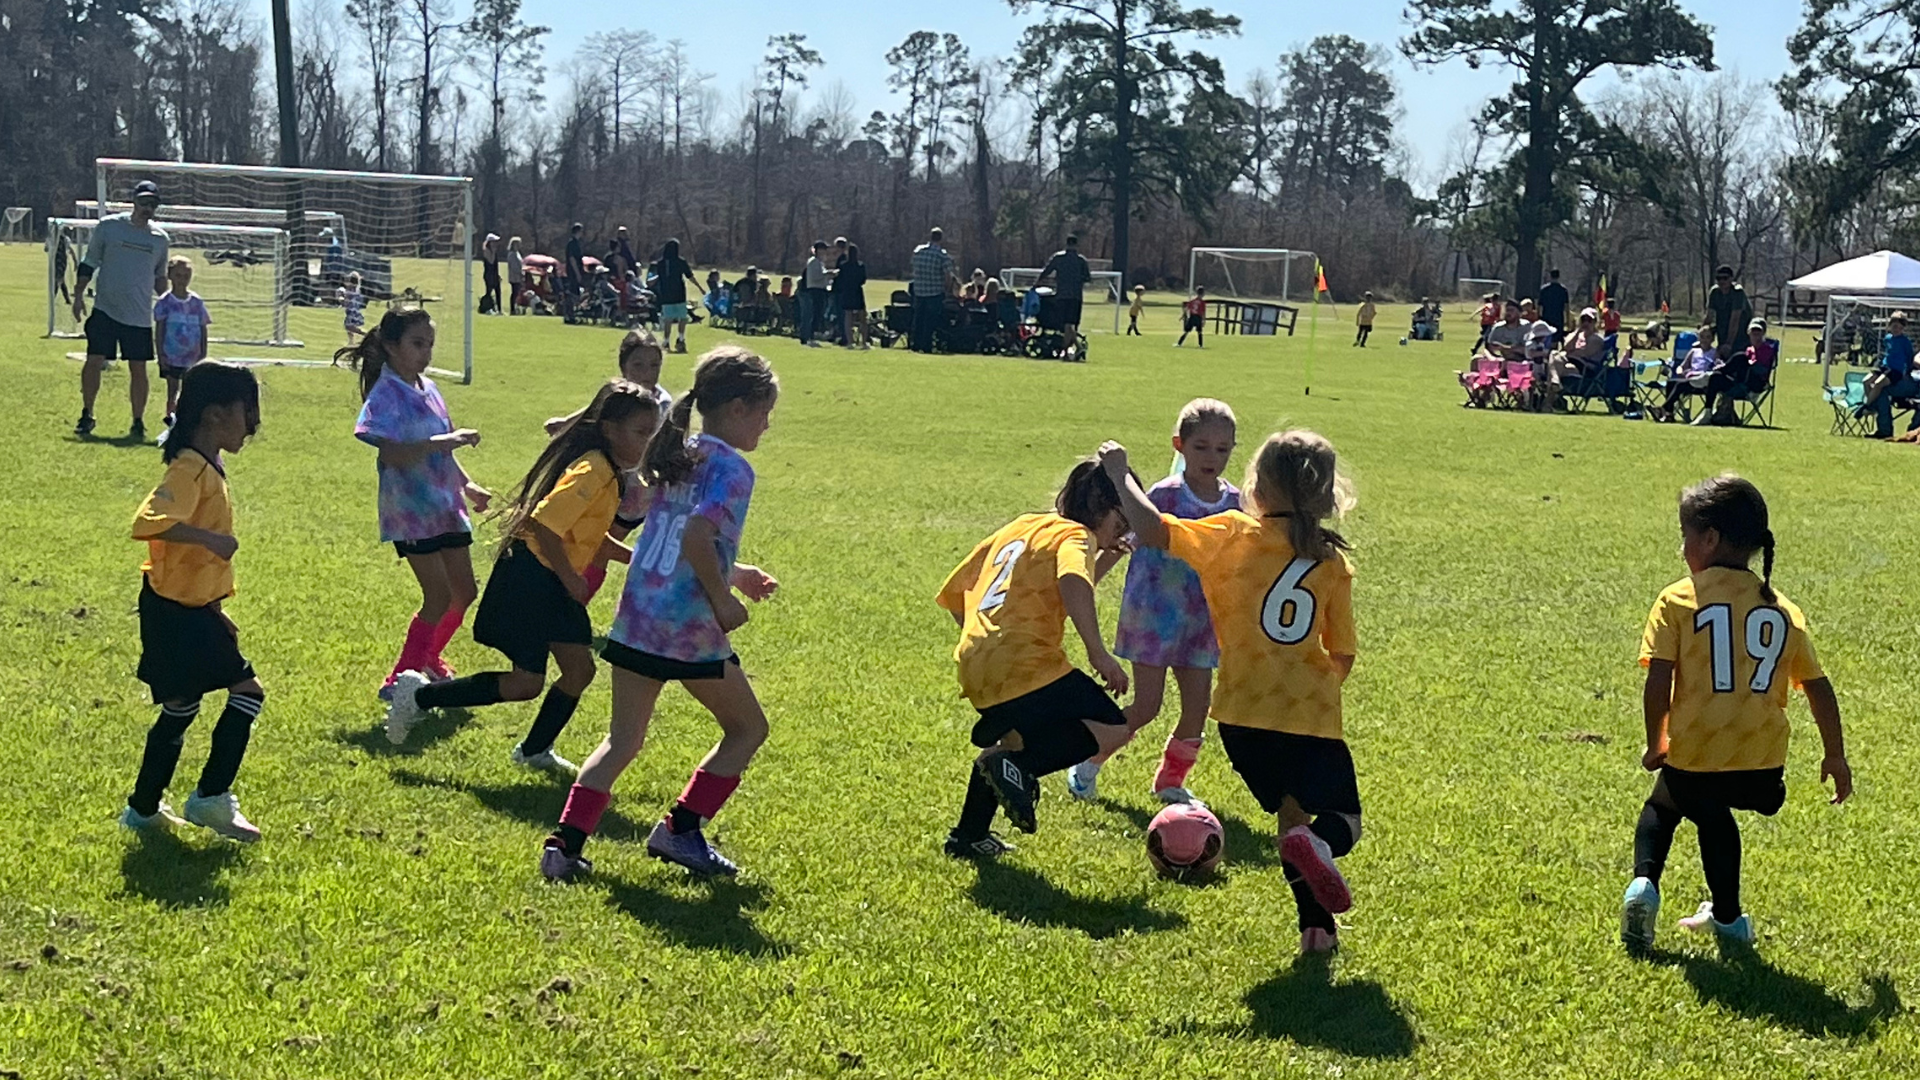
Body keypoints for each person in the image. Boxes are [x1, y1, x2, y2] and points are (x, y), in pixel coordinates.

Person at [1098, 430, 1362, 956]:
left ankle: (1317, 932)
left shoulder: (1232, 533)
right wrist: (1317, 692)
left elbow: (1152, 530)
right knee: (1341, 824)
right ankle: (1321, 849)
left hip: (1239, 715)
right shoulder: (1331, 561)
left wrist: (1119, 474)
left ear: (1258, 487)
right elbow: (1343, 654)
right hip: (1307, 714)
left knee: (1290, 819)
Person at [541, 347, 782, 881]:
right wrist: (722, 597)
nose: (768, 424)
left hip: (639, 615)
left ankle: (564, 846)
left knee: (621, 741)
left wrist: (734, 572)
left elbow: (674, 533)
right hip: (686, 625)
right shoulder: (732, 469)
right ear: (739, 408)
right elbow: (697, 534)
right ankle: (680, 829)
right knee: (747, 728)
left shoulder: (679, 451)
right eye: (765, 412)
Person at [1620, 475, 1850, 954]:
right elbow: (1818, 686)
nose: (1683, 547)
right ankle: (1725, 917)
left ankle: (1649, 889)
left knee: (1665, 805)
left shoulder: (1678, 600)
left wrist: (1655, 740)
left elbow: (1658, 680)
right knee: (1711, 807)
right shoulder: (1782, 608)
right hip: (1763, 767)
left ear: (1709, 538)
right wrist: (1836, 756)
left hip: (1697, 754)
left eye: (1686, 536)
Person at [384, 381, 663, 769]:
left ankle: (533, 751)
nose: (648, 443)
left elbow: (589, 537)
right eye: (641, 433)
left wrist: (644, 562)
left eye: (653, 434)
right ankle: (416, 697)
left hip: (550, 577)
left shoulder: (611, 472)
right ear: (610, 429)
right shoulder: (594, 469)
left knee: (579, 670)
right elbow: (543, 526)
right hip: (531, 575)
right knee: (526, 683)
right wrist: (569, 578)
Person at [936, 459, 1133, 858]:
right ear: (1104, 507)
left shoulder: (1025, 526)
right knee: (1112, 728)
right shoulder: (1076, 536)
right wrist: (1098, 653)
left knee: (1012, 743)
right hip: (1027, 660)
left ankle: (968, 836)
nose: (1125, 529)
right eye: (1123, 517)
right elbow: (1074, 579)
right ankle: (1020, 768)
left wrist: (985, 643)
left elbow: (956, 593)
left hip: (976, 661)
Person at [121, 362, 265, 842]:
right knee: (248, 693)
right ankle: (210, 798)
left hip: (183, 607)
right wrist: (209, 539)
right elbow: (149, 521)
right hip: (176, 612)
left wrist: (217, 610)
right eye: (247, 412)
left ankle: (142, 809)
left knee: (181, 706)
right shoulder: (188, 468)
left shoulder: (207, 465)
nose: (253, 423)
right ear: (214, 415)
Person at [1069, 399, 1239, 804]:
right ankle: (1088, 762)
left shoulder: (1235, 502)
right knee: (1146, 706)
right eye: (1201, 447)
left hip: (1201, 623)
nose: (1211, 457)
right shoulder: (1162, 495)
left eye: (1222, 448)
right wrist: (1084, 580)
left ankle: (1170, 781)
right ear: (1179, 445)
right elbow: (1121, 544)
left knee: (1198, 711)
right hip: (1153, 617)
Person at [342, 308, 491, 704]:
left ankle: (428, 658)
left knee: (465, 591)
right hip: (412, 513)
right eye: (416, 344)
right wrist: (443, 444)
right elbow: (391, 453)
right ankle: (399, 677)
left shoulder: (429, 388)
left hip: (445, 505)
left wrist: (468, 485)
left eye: (429, 344)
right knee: (438, 596)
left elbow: (444, 446)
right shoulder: (385, 395)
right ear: (391, 346)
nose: (425, 353)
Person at [72, 178, 168, 439]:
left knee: (139, 369)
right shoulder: (109, 227)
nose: (147, 208)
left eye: (152, 204)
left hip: (138, 316)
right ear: (133, 201)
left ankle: (137, 422)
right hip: (106, 309)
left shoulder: (160, 239)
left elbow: (160, 277)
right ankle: (87, 413)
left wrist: (173, 303)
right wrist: (79, 295)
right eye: (143, 202)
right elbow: (89, 262)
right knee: (94, 361)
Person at [152, 256, 210, 438]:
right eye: (178, 275)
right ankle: (170, 418)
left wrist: (203, 355)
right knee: (173, 388)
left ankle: (187, 420)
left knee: (190, 390)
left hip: (192, 356)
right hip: (172, 355)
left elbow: (203, 329)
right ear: (170, 276)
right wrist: (161, 354)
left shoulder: (197, 303)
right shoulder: (165, 302)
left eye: (186, 275)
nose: (182, 279)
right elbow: (160, 329)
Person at [1035, 234, 1093, 361]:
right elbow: (1088, 278)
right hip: (1076, 296)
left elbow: (1047, 271)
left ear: (1066, 244)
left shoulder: (1058, 258)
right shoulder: (1081, 260)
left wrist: (1037, 283)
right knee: (1071, 324)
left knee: (1066, 325)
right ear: (1077, 246)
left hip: (1061, 295)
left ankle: (1068, 350)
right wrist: (1077, 280)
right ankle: (1071, 349)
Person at [1866, 311, 1917, 439]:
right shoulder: (1887, 338)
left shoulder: (1905, 342)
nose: (1896, 330)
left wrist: (1907, 372)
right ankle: (1870, 406)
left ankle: (1870, 410)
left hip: (1897, 372)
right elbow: (1888, 354)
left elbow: (1910, 358)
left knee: (1879, 386)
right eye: (1894, 326)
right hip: (1885, 367)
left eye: (1900, 327)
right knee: (1867, 381)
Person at [909, 228, 959, 353]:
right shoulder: (942, 255)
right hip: (935, 292)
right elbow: (948, 275)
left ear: (930, 237)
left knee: (918, 318)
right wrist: (947, 289)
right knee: (930, 320)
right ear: (941, 239)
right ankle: (926, 345)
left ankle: (916, 344)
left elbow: (913, 267)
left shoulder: (918, 251)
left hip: (919, 290)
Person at [1653, 326, 1717, 423]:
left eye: (1708, 337)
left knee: (1680, 385)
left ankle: (1663, 408)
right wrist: (1680, 371)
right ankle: (1669, 414)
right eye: (1702, 337)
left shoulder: (1714, 353)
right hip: (1690, 379)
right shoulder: (1694, 351)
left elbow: (1715, 367)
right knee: (1671, 382)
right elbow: (1682, 366)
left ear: (1712, 339)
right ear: (1699, 338)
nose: (1704, 340)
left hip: (1703, 382)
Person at [652, 238, 701, 354]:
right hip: (679, 293)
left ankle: (666, 341)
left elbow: (659, 277)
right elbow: (689, 276)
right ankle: (681, 339)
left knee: (668, 319)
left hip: (665, 294)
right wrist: (700, 287)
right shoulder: (680, 262)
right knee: (682, 318)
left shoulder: (660, 263)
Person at [1707, 266, 1752, 358]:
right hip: (1723, 332)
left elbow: (1735, 319)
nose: (1722, 281)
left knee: (1736, 361)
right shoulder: (1715, 292)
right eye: (1719, 278)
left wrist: (1729, 343)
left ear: (1731, 279)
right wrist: (1702, 338)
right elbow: (1709, 317)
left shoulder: (1737, 292)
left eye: (1725, 278)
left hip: (1740, 336)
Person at [835, 242, 870, 350]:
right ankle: (864, 342)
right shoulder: (860, 265)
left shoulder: (843, 266)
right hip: (857, 292)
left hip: (847, 292)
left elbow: (840, 280)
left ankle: (850, 342)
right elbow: (863, 280)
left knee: (848, 317)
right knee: (862, 317)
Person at [799, 240, 831, 348]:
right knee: (813, 313)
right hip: (815, 290)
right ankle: (809, 337)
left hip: (820, 290)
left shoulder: (819, 263)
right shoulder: (813, 262)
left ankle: (811, 335)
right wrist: (828, 274)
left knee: (817, 313)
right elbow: (815, 277)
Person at [337, 270, 367, 348]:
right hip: (355, 311)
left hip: (352, 312)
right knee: (349, 328)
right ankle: (351, 342)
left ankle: (366, 335)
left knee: (350, 327)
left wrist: (341, 298)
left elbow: (346, 302)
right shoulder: (356, 289)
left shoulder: (350, 290)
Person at [563, 224, 587, 319]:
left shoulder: (576, 243)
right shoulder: (572, 244)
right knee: (573, 293)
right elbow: (572, 259)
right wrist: (577, 273)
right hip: (573, 272)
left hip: (575, 271)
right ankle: (570, 314)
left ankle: (571, 314)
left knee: (575, 292)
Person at [1539, 269, 1570, 333]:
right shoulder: (1563, 290)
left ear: (1550, 276)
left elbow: (1539, 306)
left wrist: (1538, 318)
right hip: (1558, 317)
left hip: (1546, 316)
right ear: (1558, 276)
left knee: (1547, 336)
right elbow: (1566, 307)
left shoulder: (1544, 290)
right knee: (1557, 336)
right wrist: (1568, 320)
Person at [480, 234, 503, 315]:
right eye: (493, 242)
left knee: (498, 292)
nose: (495, 244)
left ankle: (499, 310)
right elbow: (491, 261)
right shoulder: (486, 251)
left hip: (494, 274)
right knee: (489, 292)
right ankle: (487, 307)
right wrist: (493, 252)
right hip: (488, 275)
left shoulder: (494, 251)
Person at [505, 236, 526, 315]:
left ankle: (516, 307)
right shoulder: (512, 254)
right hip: (514, 277)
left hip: (518, 276)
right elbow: (514, 267)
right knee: (515, 292)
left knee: (517, 292)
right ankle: (512, 309)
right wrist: (520, 272)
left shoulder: (517, 253)